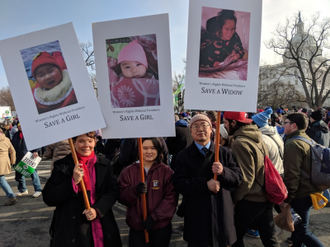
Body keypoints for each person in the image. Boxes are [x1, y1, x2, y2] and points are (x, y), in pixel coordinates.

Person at [173, 114, 243, 247]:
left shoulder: (224, 153)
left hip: (222, 211)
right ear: (191, 131)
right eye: (195, 126)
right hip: (197, 214)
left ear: (211, 129)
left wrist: (224, 172)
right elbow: (179, 183)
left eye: (204, 125)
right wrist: (205, 184)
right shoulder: (183, 156)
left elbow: (238, 178)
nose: (200, 129)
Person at [43, 132, 122, 247]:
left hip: (101, 224)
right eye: (81, 141)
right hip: (72, 229)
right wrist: (72, 182)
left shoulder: (104, 164)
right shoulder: (62, 165)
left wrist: (98, 210)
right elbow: (48, 197)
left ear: (95, 142)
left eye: (90, 141)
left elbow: (113, 191)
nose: (86, 145)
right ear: (74, 143)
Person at [223, 111, 279, 247]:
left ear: (234, 123)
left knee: (234, 237)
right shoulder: (256, 136)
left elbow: (246, 178)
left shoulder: (240, 143)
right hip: (264, 195)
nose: (224, 126)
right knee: (269, 238)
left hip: (250, 199)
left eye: (225, 123)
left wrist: (234, 199)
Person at [119, 137, 177, 247]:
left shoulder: (167, 172)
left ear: (159, 150)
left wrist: (154, 217)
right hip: (137, 226)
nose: (149, 151)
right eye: (145, 148)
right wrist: (134, 191)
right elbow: (122, 197)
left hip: (160, 226)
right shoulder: (128, 171)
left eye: (153, 148)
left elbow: (171, 198)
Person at [281, 113, 325, 247]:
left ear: (294, 125)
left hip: (301, 194)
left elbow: (292, 175)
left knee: (302, 231)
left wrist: (288, 198)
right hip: (311, 190)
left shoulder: (293, 144)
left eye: (285, 122)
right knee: (297, 230)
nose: (283, 125)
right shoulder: (307, 139)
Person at [108, 40, 160, 108]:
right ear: (121, 69)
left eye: (138, 64)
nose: (133, 70)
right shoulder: (118, 80)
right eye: (127, 67)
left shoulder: (154, 82)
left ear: (146, 65)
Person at [11, 123, 42, 198]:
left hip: (29, 157)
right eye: (19, 126)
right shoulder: (16, 134)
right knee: (18, 175)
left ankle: (38, 189)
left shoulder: (30, 134)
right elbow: (12, 145)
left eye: (21, 126)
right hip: (19, 157)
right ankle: (22, 189)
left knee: (33, 174)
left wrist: (36, 151)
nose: (20, 127)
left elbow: (37, 142)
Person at [0, 128, 17, 206]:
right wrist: (12, 161)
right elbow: (13, 151)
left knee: (2, 180)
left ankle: (11, 196)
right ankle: (11, 196)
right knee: (1, 179)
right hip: (4, 161)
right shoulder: (6, 139)